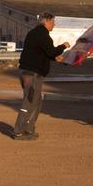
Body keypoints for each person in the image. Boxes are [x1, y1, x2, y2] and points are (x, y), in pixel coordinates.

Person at [12, 12, 69, 140]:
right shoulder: (43, 35)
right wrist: (63, 46)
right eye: (53, 22)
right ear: (47, 22)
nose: (54, 24)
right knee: (30, 101)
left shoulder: (35, 33)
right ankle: (18, 131)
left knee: (36, 102)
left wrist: (55, 58)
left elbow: (43, 53)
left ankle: (28, 129)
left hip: (30, 72)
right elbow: (51, 51)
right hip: (31, 74)